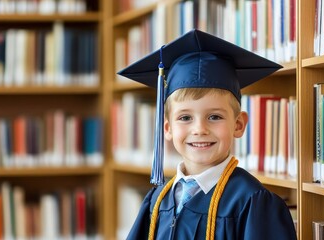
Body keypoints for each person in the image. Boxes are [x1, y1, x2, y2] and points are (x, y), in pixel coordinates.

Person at [117, 29, 297, 240]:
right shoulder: (157, 200)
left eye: (214, 117)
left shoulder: (252, 202)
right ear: (167, 128)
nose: (200, 129)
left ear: (238, 125)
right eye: (185, 118)